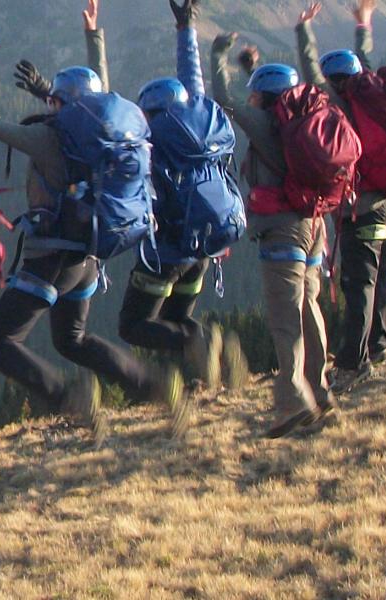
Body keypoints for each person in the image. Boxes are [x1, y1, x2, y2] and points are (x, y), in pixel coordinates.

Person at [0, 0, 182, 426]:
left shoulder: (49, 139)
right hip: (89, 257)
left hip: (51, 259)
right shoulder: (110, 134)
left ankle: (67, 397)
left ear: (60, 105)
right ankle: (149, 384)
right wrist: (94, 36)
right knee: (73, 338)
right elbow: (98, 94)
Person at [211, 33, 352, 438]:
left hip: (282, 232)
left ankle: (292, 402)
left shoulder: (264, 122)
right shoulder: (303, 117)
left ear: (263, 98)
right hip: (314, 225)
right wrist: (253, 71)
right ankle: (319, 389)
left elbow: (226, 100)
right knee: (308, 306)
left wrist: (219, 55)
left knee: (284, 318)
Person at [116, 0, 234, 391]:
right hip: (205, 249)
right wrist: (186, 29)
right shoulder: (202, 123)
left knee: (134, 325)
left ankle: (196, 344)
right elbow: (193, 81)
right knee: (177, 315)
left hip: (166, 252)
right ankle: (206, 361)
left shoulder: (152, 145)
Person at [295, 0, 386, 391]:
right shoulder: (372, 95)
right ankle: (378, 345)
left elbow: (310, 72)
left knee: (359, 285)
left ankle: (353, 363)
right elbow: (365, 61)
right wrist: (363, 25)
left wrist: (304, 31)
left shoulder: (334, 106)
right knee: (379, 278)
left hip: (360, 208)